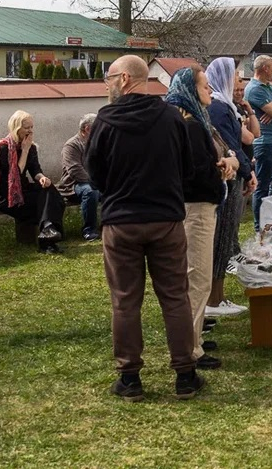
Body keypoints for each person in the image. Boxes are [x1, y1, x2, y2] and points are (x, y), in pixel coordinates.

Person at [86, 55, 203, 401]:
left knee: (125, 301)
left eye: (108, 78)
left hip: (122, 221)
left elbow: (95, 173)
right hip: (165, 218)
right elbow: (188, 167)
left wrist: (118, 192)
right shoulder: (171, 116)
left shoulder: (105, 120)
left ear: (123, 79)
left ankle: (130, 377)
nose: (106, 85)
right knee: (175, 297)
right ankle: (185, 373)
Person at [166, 67, 239, 372]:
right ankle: (191, 348)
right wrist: (225, 168)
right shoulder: (191, 125)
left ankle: (191, 337)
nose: (209, 91)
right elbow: (198, 173)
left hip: (183, 207)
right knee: (196, 279)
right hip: (195, 209)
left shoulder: (180, 119)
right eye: (204, 86)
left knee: (191, 278)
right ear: (190, 90)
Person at [205, 57, 255, 322]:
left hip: (236, 173)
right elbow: (230, 145)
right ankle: (214, 299)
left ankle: (218, 297)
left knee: (226, 237)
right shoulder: (220, 108)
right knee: (222, 237)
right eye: (235, 76)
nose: (239, 80)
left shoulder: (225, 105)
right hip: (229, 177)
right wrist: (247, 172)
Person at [0, 110, 64, 253]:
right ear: (16, 128)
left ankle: (47, 231)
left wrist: (42, 178)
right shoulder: (3, 148)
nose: (30, 131)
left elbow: (35, 170)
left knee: (50, 191)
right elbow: (14, 176)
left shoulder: (32, 147)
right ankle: (48, 238)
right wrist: (24, 151)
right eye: (26, 128)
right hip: (7, 196)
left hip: (23, 190)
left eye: (32, 127)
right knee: (49, 202)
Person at [245, 55, 272, 230]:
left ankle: (270, 222)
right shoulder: (255, 89)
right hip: (265, 143)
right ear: (265, 69)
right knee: (262, 185)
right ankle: (259, 226)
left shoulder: (269, 87)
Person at [57, 112, 101, 241]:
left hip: (94, 181)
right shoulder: (72, 145)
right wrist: (96, 181)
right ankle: (89, 230)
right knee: (90, 191)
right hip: (74, 184)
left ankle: (111, 225)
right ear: (87, 129)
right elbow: (75, 170)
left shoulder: (97, 143)